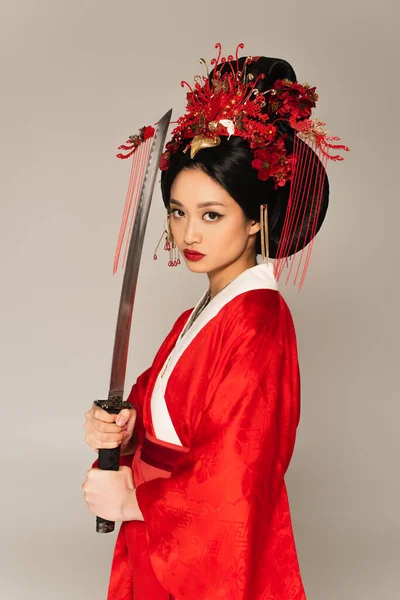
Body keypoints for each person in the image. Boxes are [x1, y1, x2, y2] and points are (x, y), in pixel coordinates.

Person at [82, 43, 348, 599]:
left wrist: (131, 500)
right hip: (160, 534)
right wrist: (125, 425)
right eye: (178, 212)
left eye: (212, 214)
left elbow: (237, 473)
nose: (189, 235)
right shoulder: (197, 315)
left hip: (196, 544)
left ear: (256, 221)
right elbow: (161, 410)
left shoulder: (259, 319)